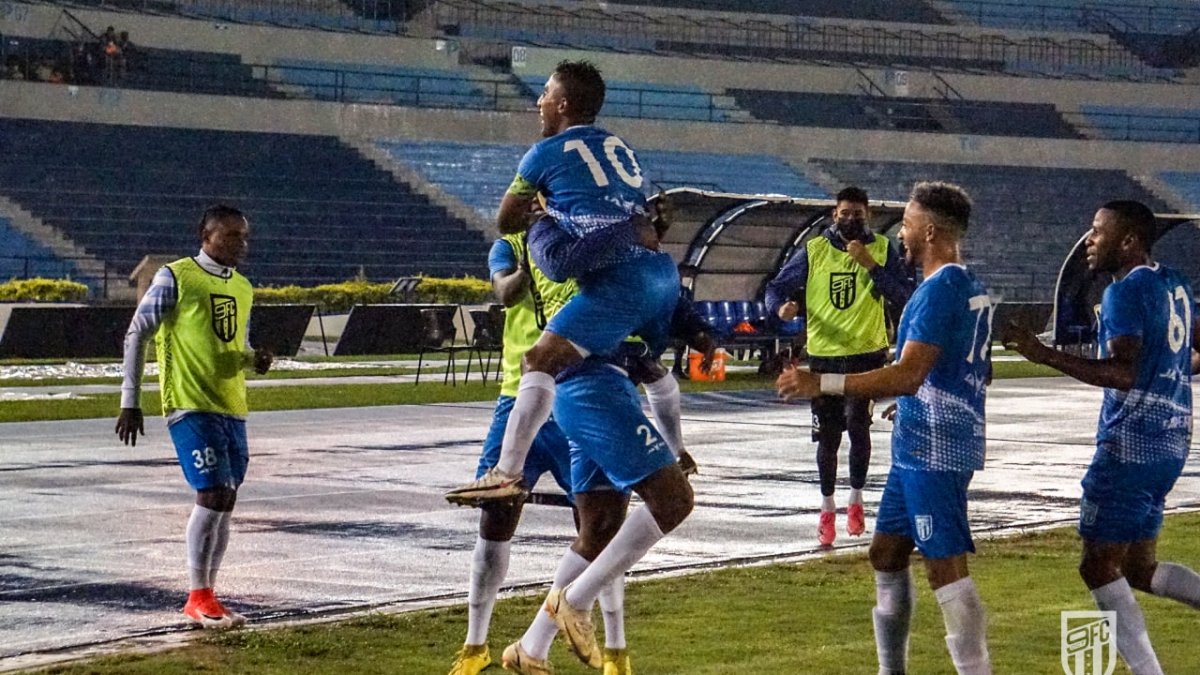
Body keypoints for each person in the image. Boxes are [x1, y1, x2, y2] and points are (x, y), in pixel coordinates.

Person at [778, 181, 993, 675]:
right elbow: (969, 370)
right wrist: (921, 403)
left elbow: (908, 374)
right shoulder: (969, 284)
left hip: (936, 450)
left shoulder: (938, 291)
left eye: (911, 223)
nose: (903, 232)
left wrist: (821, 382)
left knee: (946, 568)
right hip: (921, 440)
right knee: (887, 552)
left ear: (931, 231)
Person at [444, 59, 679, 504]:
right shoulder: (622, 149)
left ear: (564, 104)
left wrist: (537, 211)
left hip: (616, 288)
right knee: (646, 368)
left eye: (546, 93)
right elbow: (637, 218)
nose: (539, 101)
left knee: (540, 358)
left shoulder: (544, 154)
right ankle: (673, 448)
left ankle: (506, 473)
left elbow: (507, 220)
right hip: (656, 276)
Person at [1004, 200, 1200, 675]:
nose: (1089, 241)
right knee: (1139, 568)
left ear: (1129, 241)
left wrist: (1042, 354)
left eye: (1097, 232)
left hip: (1130, 446)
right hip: (1172, 442)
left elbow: (1123, 373)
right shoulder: (1172, 280)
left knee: (1097, 565)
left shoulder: (1122, 294)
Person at [449, 230, 633, 675]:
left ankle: (615, 650)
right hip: (520, 396)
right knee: (496, 517)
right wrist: (535, 261)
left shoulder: (592, 242)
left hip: (579, 394)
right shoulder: (510, 246)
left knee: (600, 527)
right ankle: (475, 647)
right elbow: (505, 293)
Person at [116, 205, 271, 629]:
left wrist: (253, 359)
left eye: (244, 236)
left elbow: (232, 345)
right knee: (213, 493)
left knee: (227, 499)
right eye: (230, 235)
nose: (240, 243)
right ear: (206, 236)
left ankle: (209, 596)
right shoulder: (176, 276)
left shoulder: (242, 287)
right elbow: (137, 332)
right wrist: (131, 400)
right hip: (188, 402)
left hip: (231, 405)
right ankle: (197, 595)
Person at [765, 186, 915, 546]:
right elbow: (776, 287)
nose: (850, 219)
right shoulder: (814, 250)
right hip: (824, 356)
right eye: (844, 213)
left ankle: (856, 499)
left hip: (866, 355)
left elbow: (903, 294)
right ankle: (827, 507)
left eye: (857, 214)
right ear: (834, 215)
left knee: (857, 425)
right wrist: (781, 307)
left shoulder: (881, 248)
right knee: (828, 436)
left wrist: (869, 265)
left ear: (868, 216)